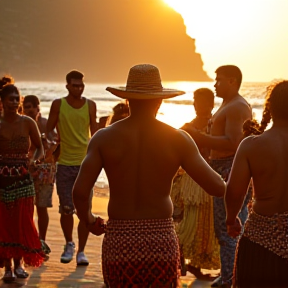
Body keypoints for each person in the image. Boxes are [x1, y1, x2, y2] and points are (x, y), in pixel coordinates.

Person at [73, 64, 226, 287]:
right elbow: (216, 187)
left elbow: (79, 191)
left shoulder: (103, 138)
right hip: (159, 240)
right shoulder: (177, 139)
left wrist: (88, 220)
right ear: (160, 100)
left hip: (120, 239)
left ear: (127, 100)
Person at [184, 65, 252, 288]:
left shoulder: (237, 107)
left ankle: (230, 279)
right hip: (221, 166)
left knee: (229, 228)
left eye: (219, 80)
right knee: (224, 230)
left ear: (233, 81)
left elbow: (233, 143)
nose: (215, 84)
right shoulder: (228, 105)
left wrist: (199, 137)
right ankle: (227, 275)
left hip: (229, 167)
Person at [225, 80, 288, 288]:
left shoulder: (252, 145)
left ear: (269, 107)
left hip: (259, 242)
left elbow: (234, 192)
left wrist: (232, 219)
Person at [46, 70, 97, 266]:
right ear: (67, 86)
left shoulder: (91, 105)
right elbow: (49, 129)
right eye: (75, 85)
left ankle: (81, 252)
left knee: (85, 211)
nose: (78, 88)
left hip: (85, 165)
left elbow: (95, 134)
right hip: (65, 164)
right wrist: (52, 143)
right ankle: (69, 244)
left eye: (81, 85)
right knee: (66, 209)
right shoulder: (58, 104)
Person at [171, 88, 220, 280]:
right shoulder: (186, 127)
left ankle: (193, 265)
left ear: (210, 104)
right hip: (190, 181)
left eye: (199, 101)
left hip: (208, 177)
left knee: (203, 225)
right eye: (194, 101)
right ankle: (181, 260)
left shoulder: (215, 125)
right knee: (187, 223)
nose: (195, 105)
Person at [0, 84, 44, 282]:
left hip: (24, 179)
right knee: (4, 222)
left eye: (17, 99)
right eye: (10, 99)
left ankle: (19, 264)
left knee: (22, 221)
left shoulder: (27, 122)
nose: (14, 103)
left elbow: (39, 148)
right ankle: (7, 267)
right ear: (2, 102)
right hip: (1, 179)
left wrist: (34, 160)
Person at [23, 95, 57, 254]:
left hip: (45, 171)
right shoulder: (21, 124)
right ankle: (30, 239)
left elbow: (57, 142)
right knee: (27, 207)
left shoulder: (45, 124)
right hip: (26, 171)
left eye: (32, 106)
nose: (29, 109)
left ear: (38, 108)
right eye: (26, 106)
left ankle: (41, 241)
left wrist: (48, 153)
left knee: (42, 207)